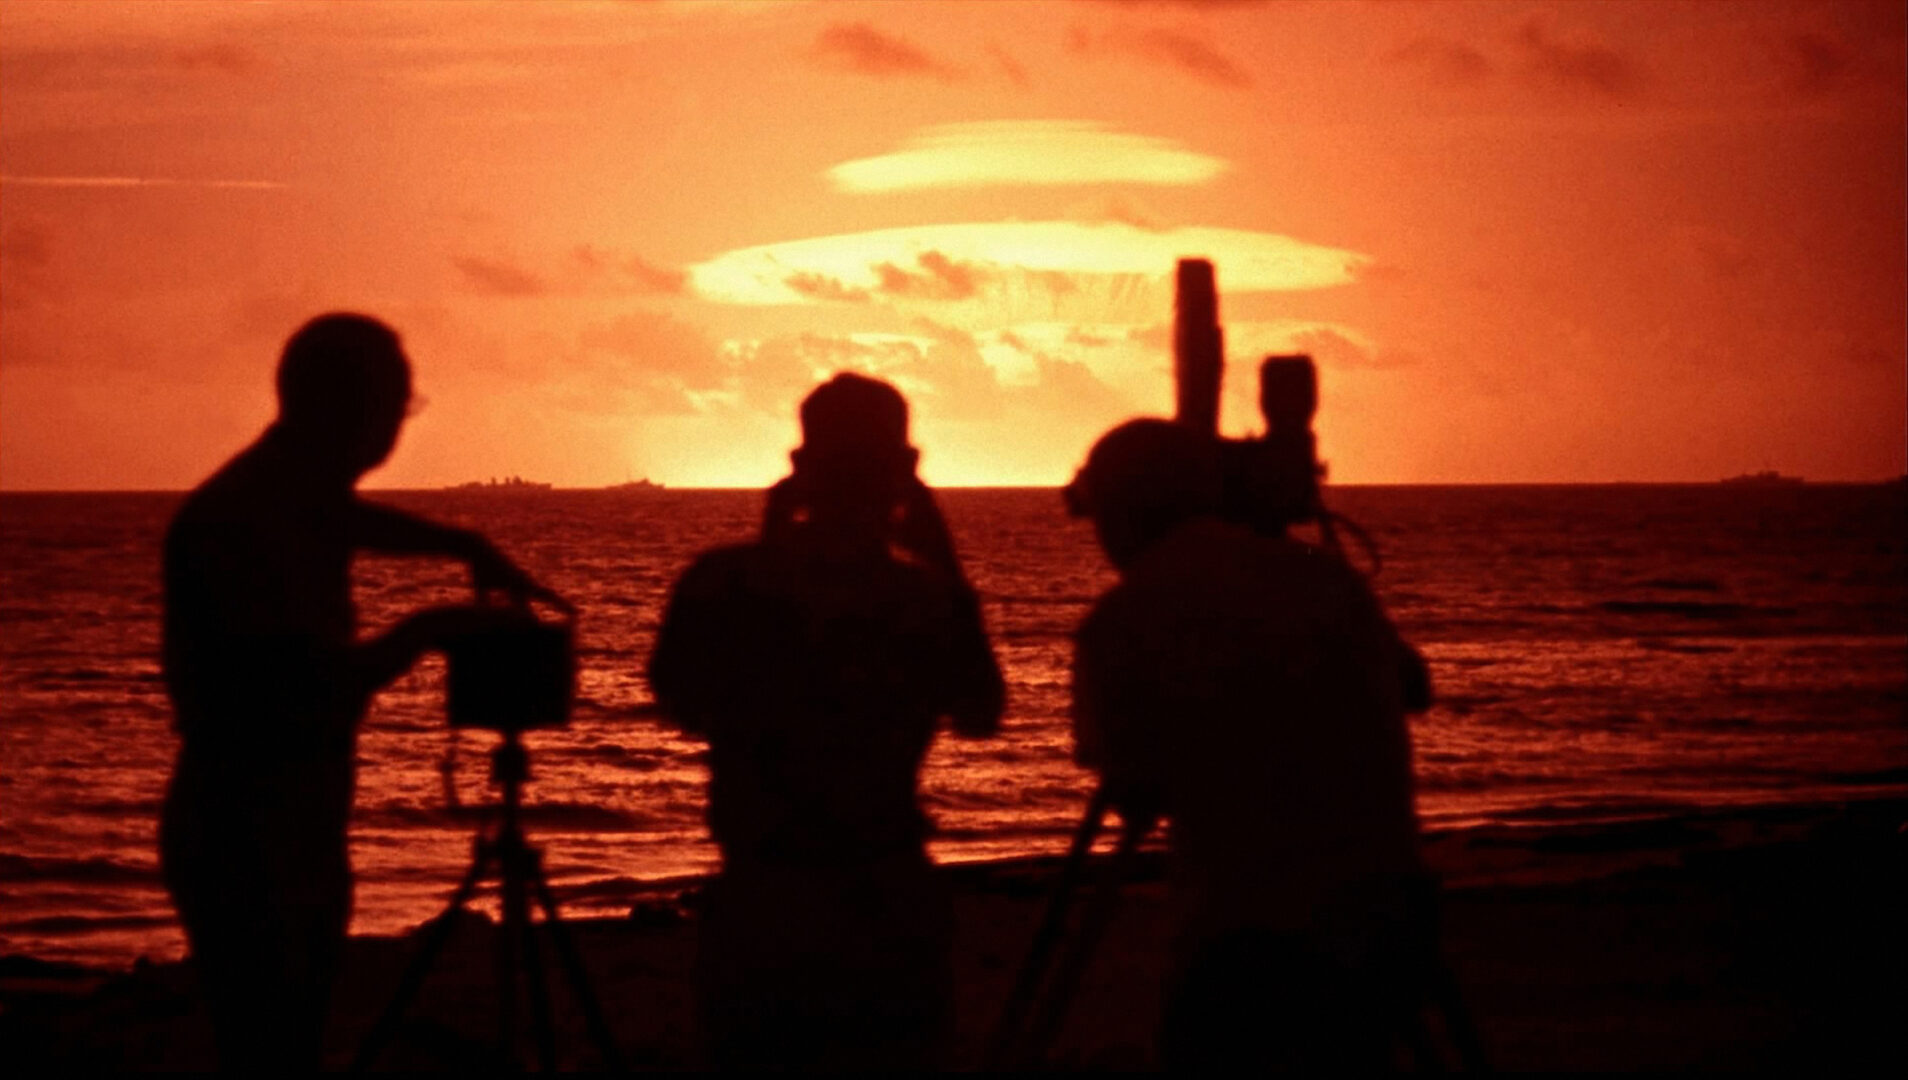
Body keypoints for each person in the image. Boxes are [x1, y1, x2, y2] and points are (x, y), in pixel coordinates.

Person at [160, 313, 560, 1070]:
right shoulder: (245, 519)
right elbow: (304, 690)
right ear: (351, 408)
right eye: (395, 408)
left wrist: (461, 545)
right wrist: (433, 627)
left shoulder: (283, 496)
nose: (396, 430)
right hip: (248, 832)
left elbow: (341, 519)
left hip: (295, 824)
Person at [647, 372, 1005, 1069]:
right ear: (905, 476)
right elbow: (981, 712)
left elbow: (683, 699)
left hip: (765, 896)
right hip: (883, 894)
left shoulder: (720, 582)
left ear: (800, 470)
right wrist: (946, 560)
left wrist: (768, 550)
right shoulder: (924, 599)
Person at [1065, 418, 1434, 1070]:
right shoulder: (1326, 581)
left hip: (1245, 942)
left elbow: (1134, 790)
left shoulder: (1125, 619)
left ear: (1118, 513)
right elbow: (1414, 685)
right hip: (1384, 917)